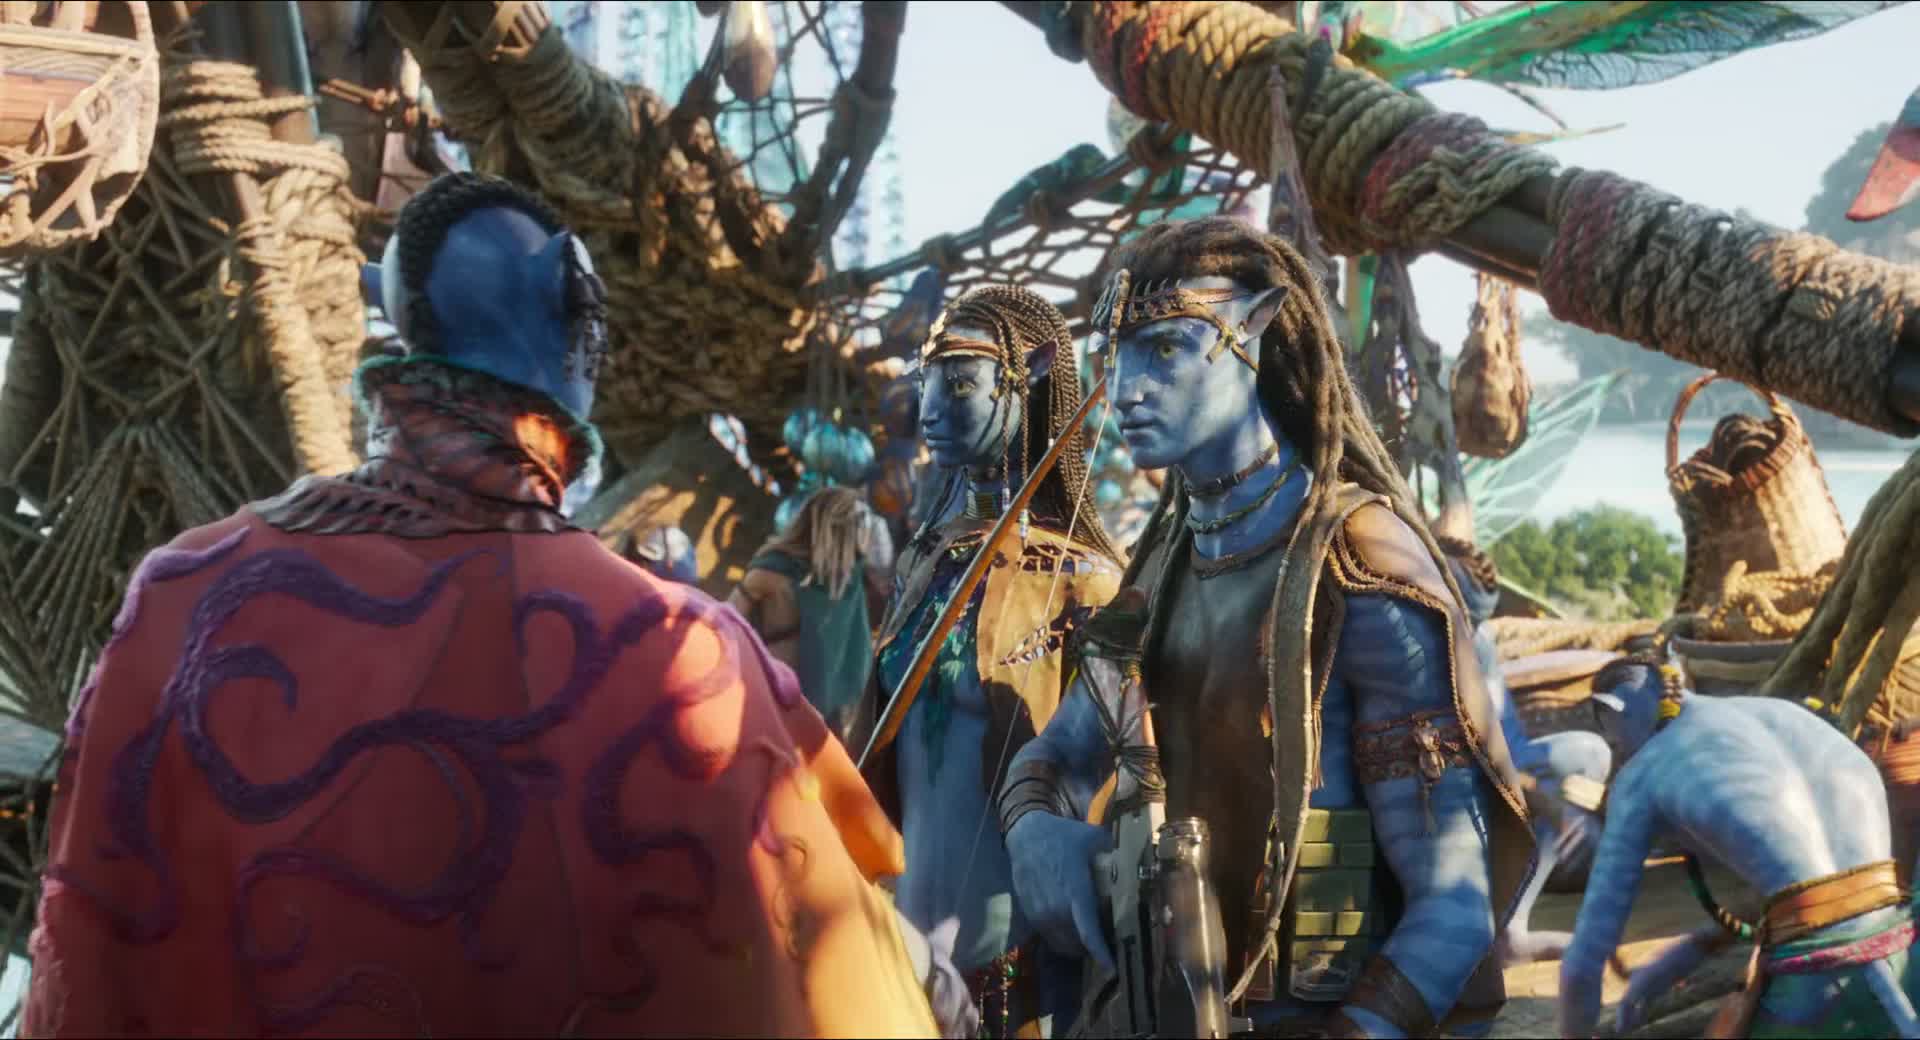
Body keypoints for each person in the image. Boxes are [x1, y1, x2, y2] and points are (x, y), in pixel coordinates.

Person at [24, 172, 971, 1039]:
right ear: (578, 337)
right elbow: (827, 939)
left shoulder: (183, 593)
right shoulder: (679, 649)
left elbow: (96, 945)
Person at [997, 218, 1535, 1037]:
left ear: (1254, 331)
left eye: (1165, 349)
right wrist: (1033, 824)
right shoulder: (1161, 564)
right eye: (1117, 354)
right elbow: (1063, 751)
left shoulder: (1359, 566)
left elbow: (1454, 904)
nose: (1126, 388)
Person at [863, 284, 1125, 1037]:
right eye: (927, 384)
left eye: (959, 384)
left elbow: (1117, 780)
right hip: (899, 944)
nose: (930, 409)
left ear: (1027, 381)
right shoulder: (922, 564)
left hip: (1026, 961)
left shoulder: (1086, 581)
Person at [1559, 656, 1920, 1039]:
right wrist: (1685, 955)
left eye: (1614, 742)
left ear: (1612, 711)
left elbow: (1583, 964)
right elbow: (1827, 889)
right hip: (1907, 955)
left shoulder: (1641, 774)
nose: (1619, 753)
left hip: (1817, 989)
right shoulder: (1787, 713)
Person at [730, 486, 887, 743]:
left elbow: (725, 622)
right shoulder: (780, 574)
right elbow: (727, 623)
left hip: (802, 708)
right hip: (776, 700)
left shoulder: (845, 580)